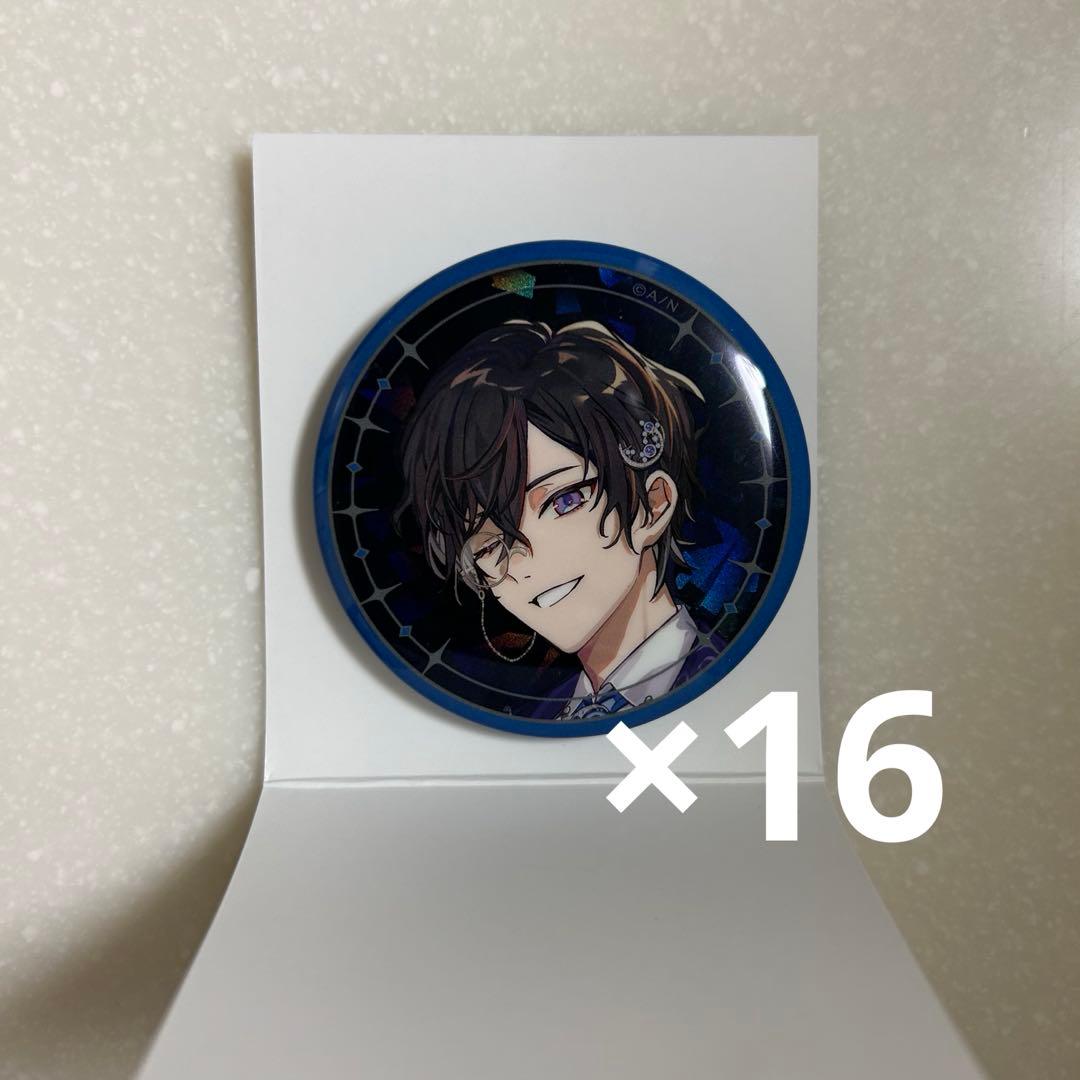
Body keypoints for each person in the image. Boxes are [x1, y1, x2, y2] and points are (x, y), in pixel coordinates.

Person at [394, 318, 723, 721]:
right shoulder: (538, 718)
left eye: (564, 501)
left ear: (653, 504)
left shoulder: (731, 686)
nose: (525, 559)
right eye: (490, 543)